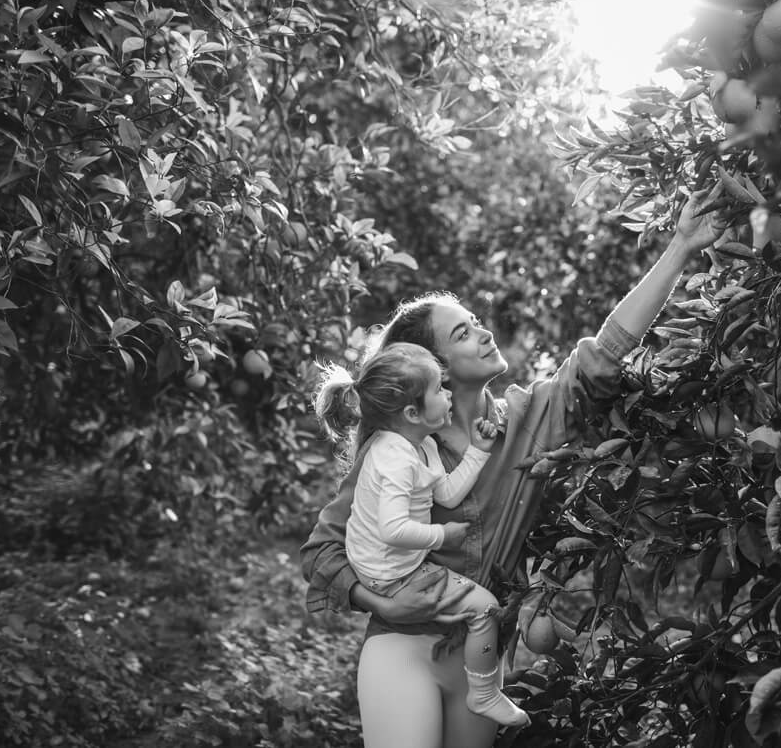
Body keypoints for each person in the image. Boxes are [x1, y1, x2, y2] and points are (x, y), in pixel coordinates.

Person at [301, 184, 728, 748]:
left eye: (475, 319)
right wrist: (379, 600)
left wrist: (680, 247)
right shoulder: (396, 449)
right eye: (462, 332)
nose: (483, 330)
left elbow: (603, 352)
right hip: (400, 649)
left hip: (484, 659)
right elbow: (321, 551)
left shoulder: (531, 418)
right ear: (439, 371)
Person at [312, 342, 530, 728]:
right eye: (439, 390)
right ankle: (483, 694)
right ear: (413, 412)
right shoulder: (394, 460)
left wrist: (478, 452)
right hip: (390, 572)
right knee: (485, 608)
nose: (448, 394)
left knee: (479, 607)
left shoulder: (420, 443)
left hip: (391, 563)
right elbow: (392, 529)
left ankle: (481, 691)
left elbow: (445, 492)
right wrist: (441, 535)